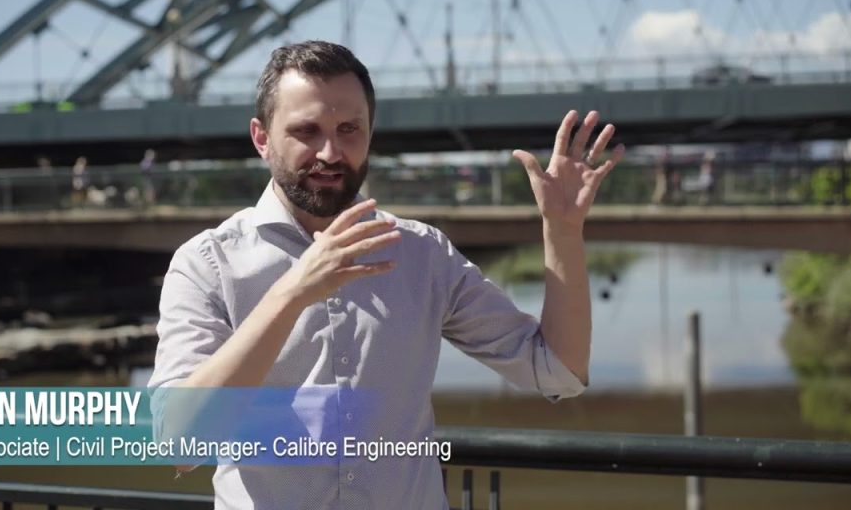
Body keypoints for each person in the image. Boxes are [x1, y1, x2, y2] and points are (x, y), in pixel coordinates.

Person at [148, 40, 624, 509]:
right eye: (307, 130)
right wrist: (293, 291)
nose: (331, 152)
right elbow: (177, 444)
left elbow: (557, 370)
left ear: (370, 134)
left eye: (349, 129)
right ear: (261, 138)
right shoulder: (207, 263)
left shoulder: (423, 254)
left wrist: (562, 232)